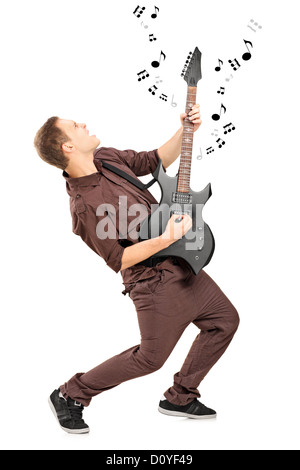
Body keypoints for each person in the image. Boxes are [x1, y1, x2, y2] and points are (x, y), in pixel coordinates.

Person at [34, 106, 239, 434]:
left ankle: (180, 397)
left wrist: (186, 130)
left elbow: (153, 159)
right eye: (75, 126)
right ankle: (70, 394)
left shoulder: (106, 157)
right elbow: (120, 258)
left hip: (181, 261)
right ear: (67, 147)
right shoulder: (84, 205)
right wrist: (166, 237)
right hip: (152, 280)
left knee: (224, 321)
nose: (83, 123)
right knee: (150, 358)